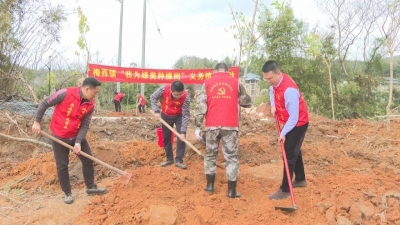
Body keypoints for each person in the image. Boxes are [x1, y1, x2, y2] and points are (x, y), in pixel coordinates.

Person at [32, 78, 107, 204]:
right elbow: (45, 103)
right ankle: (67, 193)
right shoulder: (65, 93)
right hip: (58, 135)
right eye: (95, 92)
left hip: (76, 135)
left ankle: (90, 187)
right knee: (62, 165)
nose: (95, 95)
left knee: (88, 159)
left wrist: (78, 142)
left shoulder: (90, 104)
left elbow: (85, 125)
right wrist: (37, 122)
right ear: (87, 89)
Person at [194, 62, 252, 198]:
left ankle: (209, 187)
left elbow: (201, 106)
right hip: (230, 125)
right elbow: (246, 102)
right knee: (231, 157)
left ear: (214, 71)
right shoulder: (235, 82)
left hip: (212, 126)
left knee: (210, 155)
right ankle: (231, 192)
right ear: (227, 71)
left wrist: (198, 125)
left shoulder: (207, 83)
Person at [262, 60, 309, 200]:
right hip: (289, 121)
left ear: (278, 73)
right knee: (294, 150)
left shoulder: (289, 91)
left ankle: (285, 189)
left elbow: (294, 118)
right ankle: (300, 179)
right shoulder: (275, 83)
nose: (268, 81)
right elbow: (272, 91)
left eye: (270, 78)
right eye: (266, 79)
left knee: (288, 155)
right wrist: (273, 106)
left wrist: (283, 134)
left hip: (298, 124)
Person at [150, 80, 190, 169]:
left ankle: (179, 160)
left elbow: (186, 115)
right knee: (166, 138)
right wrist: (156, 111)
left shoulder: (186, 97)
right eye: (176, 95)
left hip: (179, 116)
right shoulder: (164, 89)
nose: (179, 96)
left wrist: (183, 131)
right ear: (171, 91)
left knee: (181, 137)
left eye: (181, 94)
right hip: (166, 115)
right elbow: (153, 97)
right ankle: (169, 159)